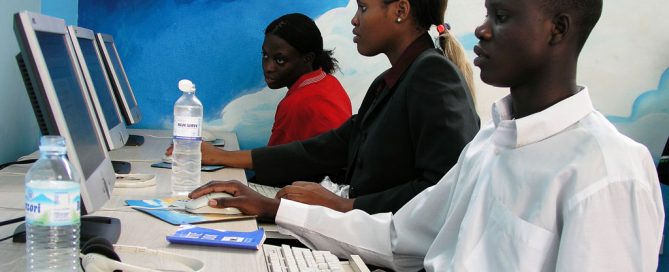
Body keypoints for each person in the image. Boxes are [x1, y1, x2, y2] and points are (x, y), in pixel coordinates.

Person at [188, 0, 665, 270]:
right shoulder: (490, 144)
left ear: (557, 30)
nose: (481, 28)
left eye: (501, 16)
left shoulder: (609, 170)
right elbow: (401, 236)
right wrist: (278, 209)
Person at [176, 0, 481, 215]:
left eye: (363, 7)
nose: (354, 19)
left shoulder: (432, 76)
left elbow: (443, 190)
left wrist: (343, 206)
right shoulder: (389, 82)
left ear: (400, 10)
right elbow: (325, 148)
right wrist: (225, 157)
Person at [262, 13, 352, 146]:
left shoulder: (295, 104)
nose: (268, 67)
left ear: (308, 58)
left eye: (280, 60)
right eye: (265, 55)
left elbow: (271, 162)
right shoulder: (330, 82)